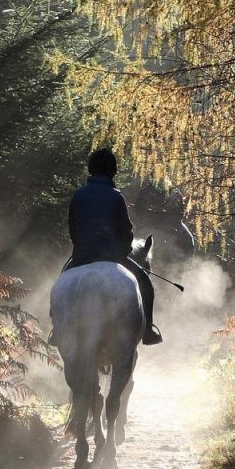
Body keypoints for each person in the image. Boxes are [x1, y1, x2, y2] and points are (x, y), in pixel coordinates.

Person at [65, 147, 162, 345]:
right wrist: (125, 249)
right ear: (113, 170)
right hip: (112, 257)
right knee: (146, 284)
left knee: (61, 281)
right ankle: (148, 331)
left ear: (91, 169)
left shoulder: (79, 195)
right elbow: (126, 230)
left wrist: (81, 247)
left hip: (82, 256)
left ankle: (58, 329)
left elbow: (73, 228)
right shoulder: (116, 196)